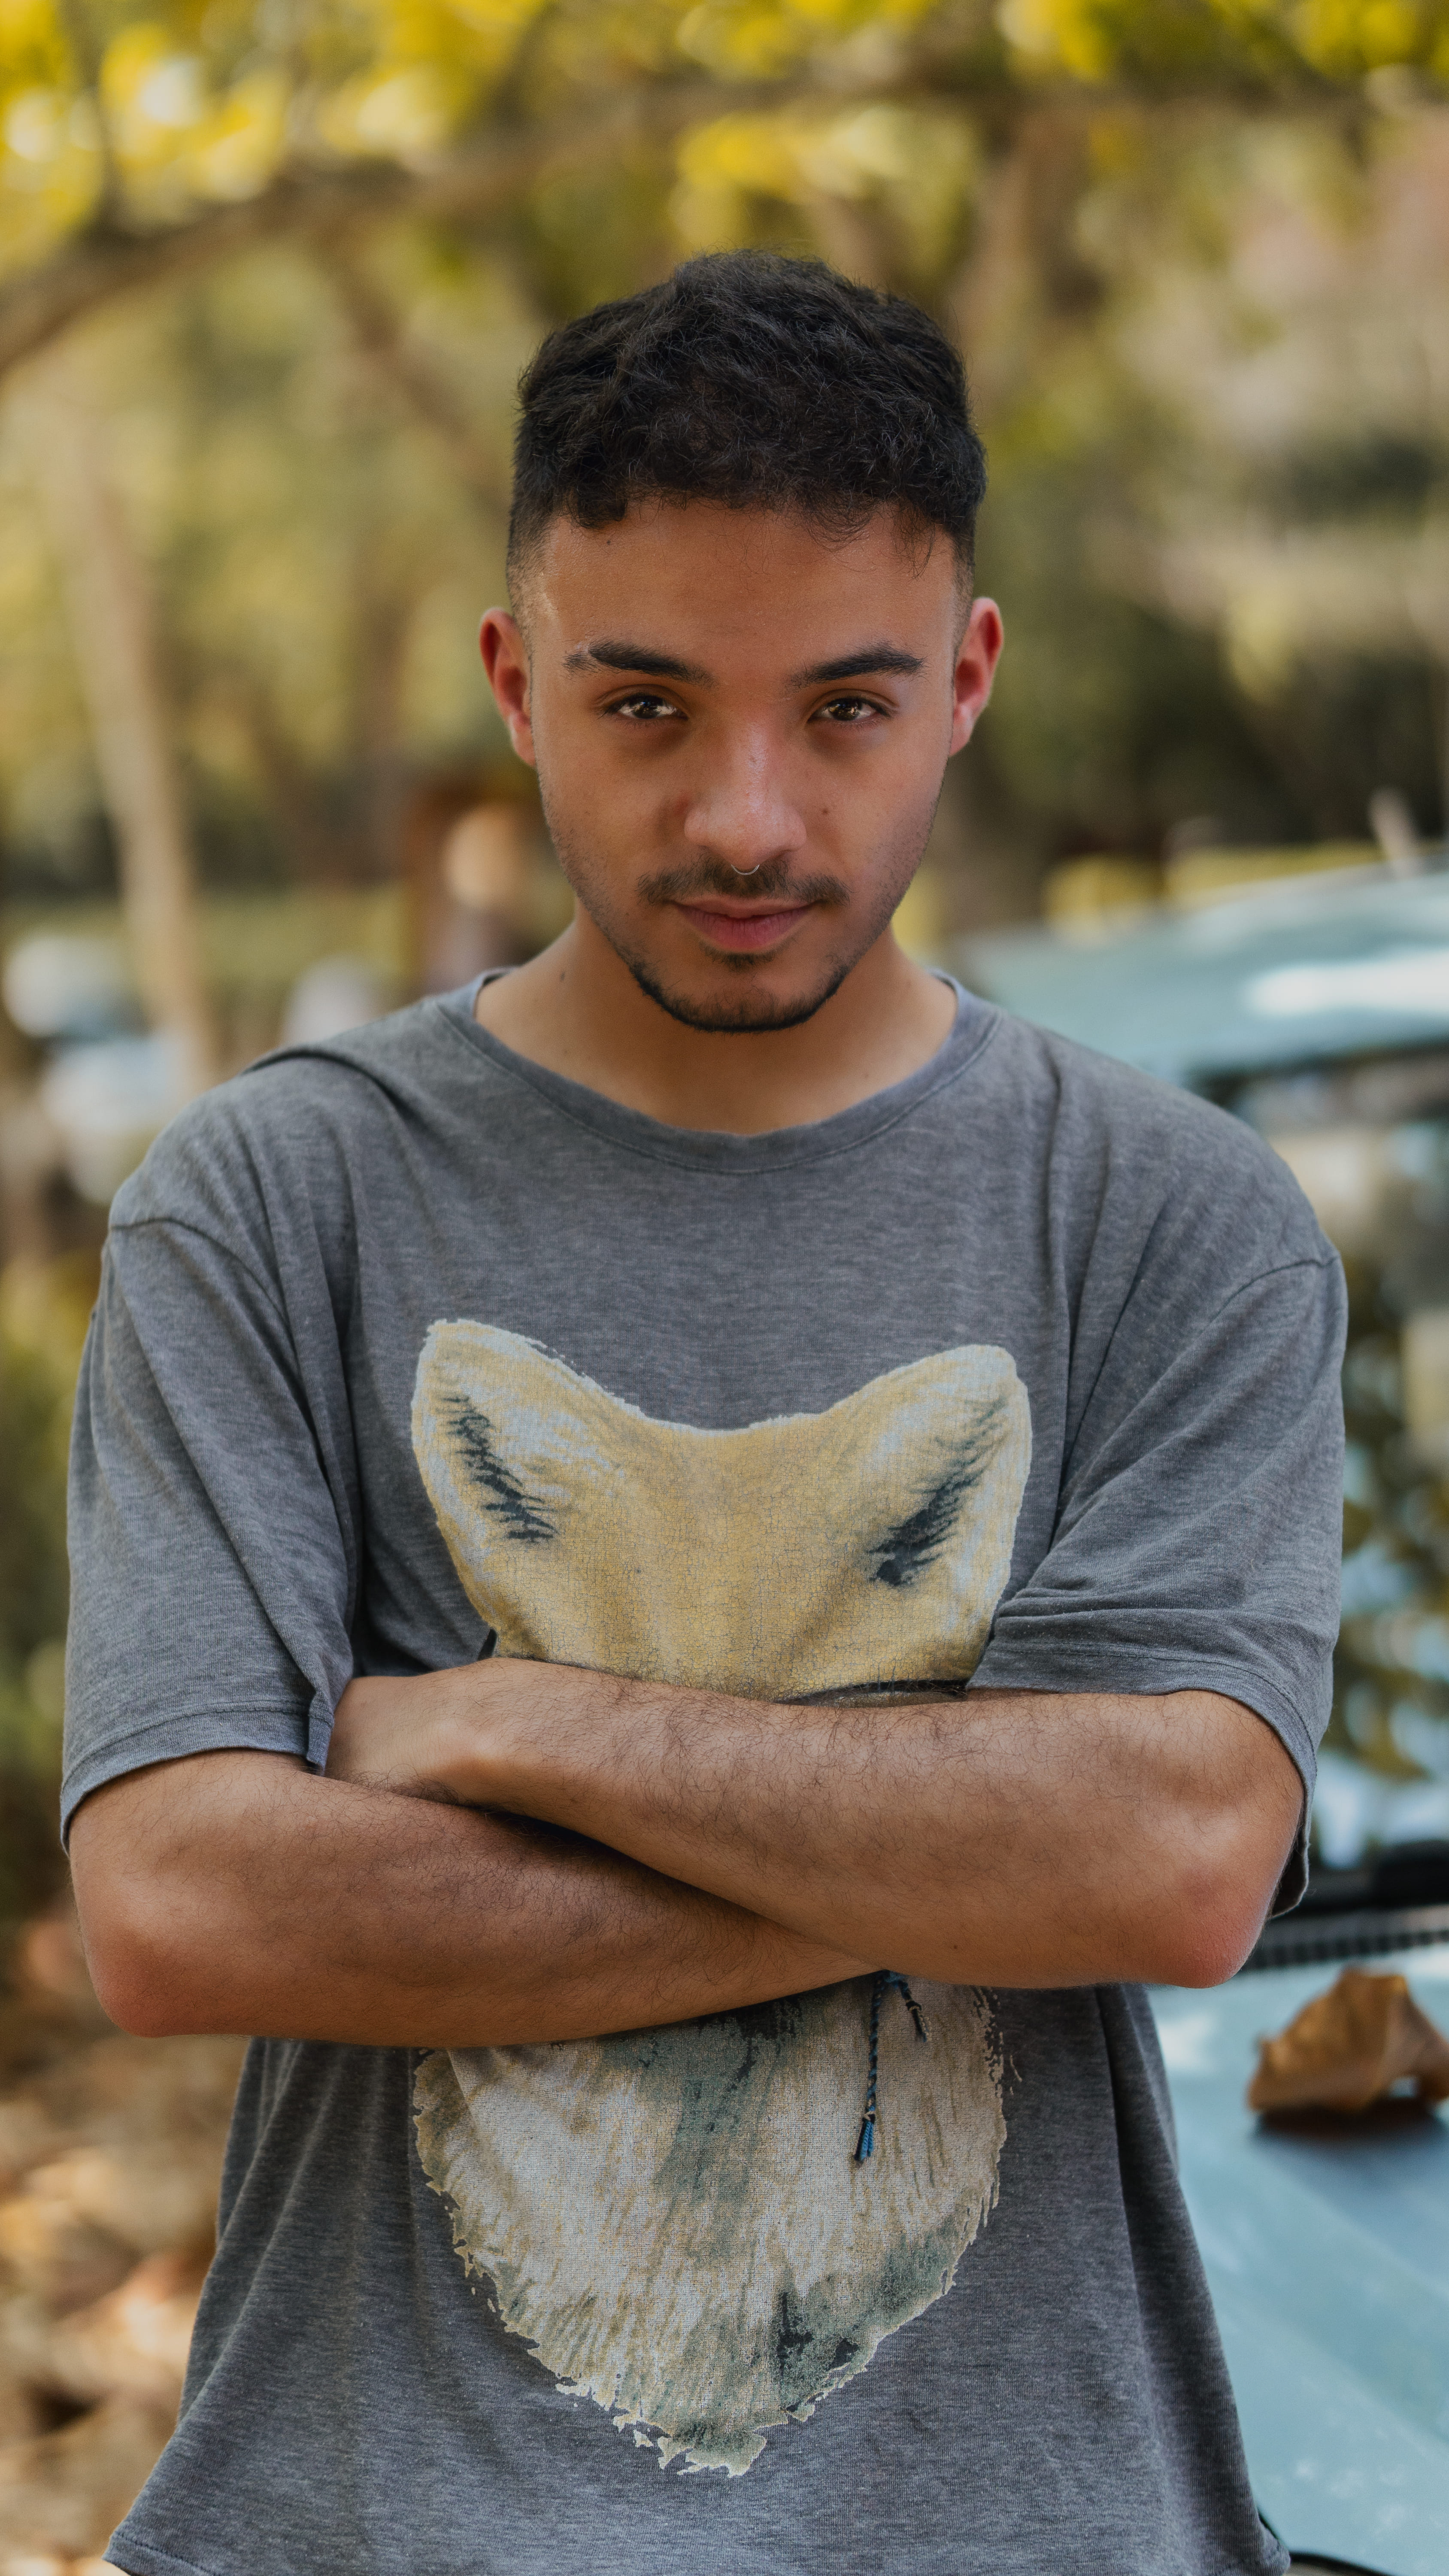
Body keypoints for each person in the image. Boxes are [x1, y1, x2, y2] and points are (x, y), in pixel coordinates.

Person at [67, 251, 1344, 2576]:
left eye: (842, 708)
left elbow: (1170, 1862)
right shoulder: (267, 1206)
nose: (748, 817)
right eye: (647, 704)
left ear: (964, 682)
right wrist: (971, 1845)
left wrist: (515, 1726)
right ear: (514, 685)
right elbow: (180, 1901)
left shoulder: (1182, 1226)